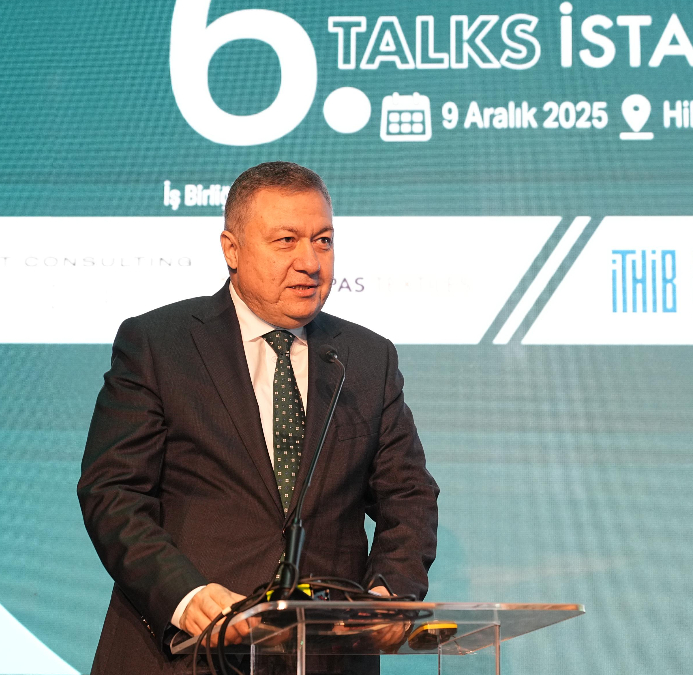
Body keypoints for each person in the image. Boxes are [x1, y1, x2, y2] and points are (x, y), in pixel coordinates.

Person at [77, 161, 440, 673]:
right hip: (185, 652)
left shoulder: (366, 357)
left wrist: (388, 592)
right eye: (286, 241)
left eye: (323, 241)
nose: (309, 262)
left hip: (324, 657)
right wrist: (185, 595)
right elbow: (112, 493)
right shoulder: (160, 344)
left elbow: (409, 494)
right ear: (232, 249)